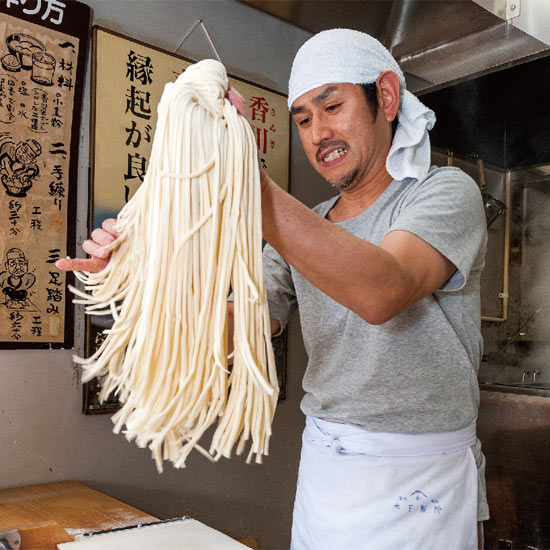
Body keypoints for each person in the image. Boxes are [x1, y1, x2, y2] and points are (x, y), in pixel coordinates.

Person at [57, 29, 488, 550]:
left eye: (332, 106)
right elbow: (236, 332)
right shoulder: (303, 229)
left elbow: (383, 290)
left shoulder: (445, 193)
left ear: (388, 98)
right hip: (328, 474)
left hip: (423, 484)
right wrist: (139, 278)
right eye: (303, 119)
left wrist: (244, 174)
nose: (317, 133)